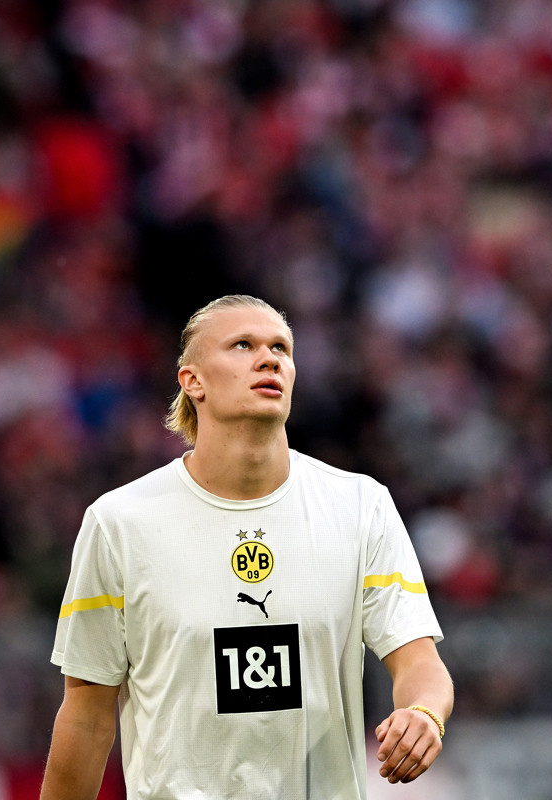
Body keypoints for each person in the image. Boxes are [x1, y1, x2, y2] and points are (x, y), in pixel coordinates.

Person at [41, 295, 453, 799]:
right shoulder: (119, 523)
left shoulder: (360, 505)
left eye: (281, 347)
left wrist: (425, 713)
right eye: (243, 345)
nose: (269, 358)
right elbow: (86, 711)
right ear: (192, 381)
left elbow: (418, 660)